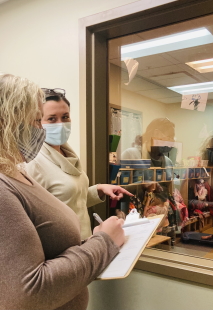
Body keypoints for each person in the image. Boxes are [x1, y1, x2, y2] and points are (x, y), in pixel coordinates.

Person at [0, 74, 125, 310]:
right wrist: (104, 242)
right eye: (37, 121)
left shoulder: (15, 171)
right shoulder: (15, 175)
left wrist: (96, 192)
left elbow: (47, 210)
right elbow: (29, 291)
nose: (41, 130)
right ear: (6, 123)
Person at [26, 88, 133, 239]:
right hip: (61, 249)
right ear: (36, 122)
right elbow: (31, 219)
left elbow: (69, 200)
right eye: (51, 119)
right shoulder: (33, 163)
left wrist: (99, 189)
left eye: (65, 117)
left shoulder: (67, 153)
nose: (61, 124)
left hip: (83, 242)